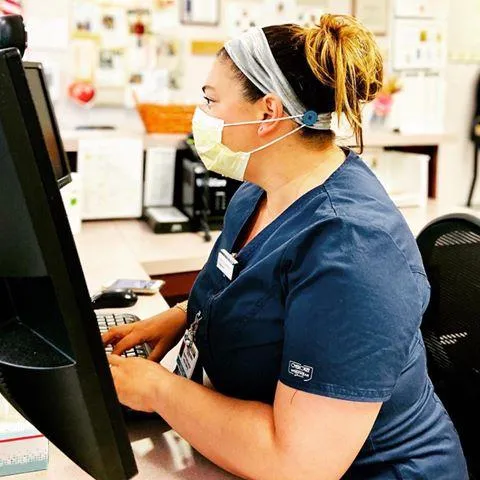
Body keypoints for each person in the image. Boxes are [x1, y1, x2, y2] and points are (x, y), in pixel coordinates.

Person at [103, 14, 468, 480]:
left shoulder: (353, 250)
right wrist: (179, 318)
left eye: (211, 100)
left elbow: (301, 465)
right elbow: (253, 286)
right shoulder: (261, 189)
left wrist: (156, 390)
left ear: (268, 114)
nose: (202, 116)